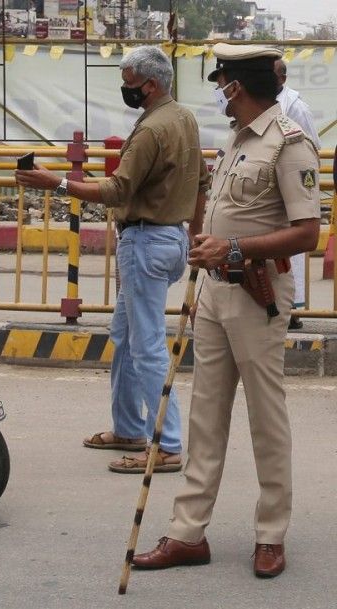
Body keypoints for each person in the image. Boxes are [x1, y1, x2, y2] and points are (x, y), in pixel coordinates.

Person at [132, 43, 320, 579]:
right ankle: (188, 532)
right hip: (214, 292)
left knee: (267, 418)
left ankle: (270, 535)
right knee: (205, 415)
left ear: (238, 86)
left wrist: (234, 250)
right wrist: (206, 242)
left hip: (257, 294)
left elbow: (308, 233)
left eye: (223, 83)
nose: (220, 92)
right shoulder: (237, 141)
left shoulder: (289, 144)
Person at [16, 46, 209, 474]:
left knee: (147, 347)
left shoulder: (152, 130)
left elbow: (117, 191)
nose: (125, 90)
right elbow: (201, 182)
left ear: (151, 85)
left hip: (145, 242)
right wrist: (193, 236)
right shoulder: (183, 118)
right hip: (167, 239)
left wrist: (57, 182)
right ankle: (129, 428)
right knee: (124, 335)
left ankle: (169, 444)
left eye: (129, 84)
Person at [273, 58, 321, 330]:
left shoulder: (296, 106)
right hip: (271, 188)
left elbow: (311, 146)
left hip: (292, 187)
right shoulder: (262, 102)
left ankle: (292, 311)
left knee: (292, 252)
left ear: (282, 78)